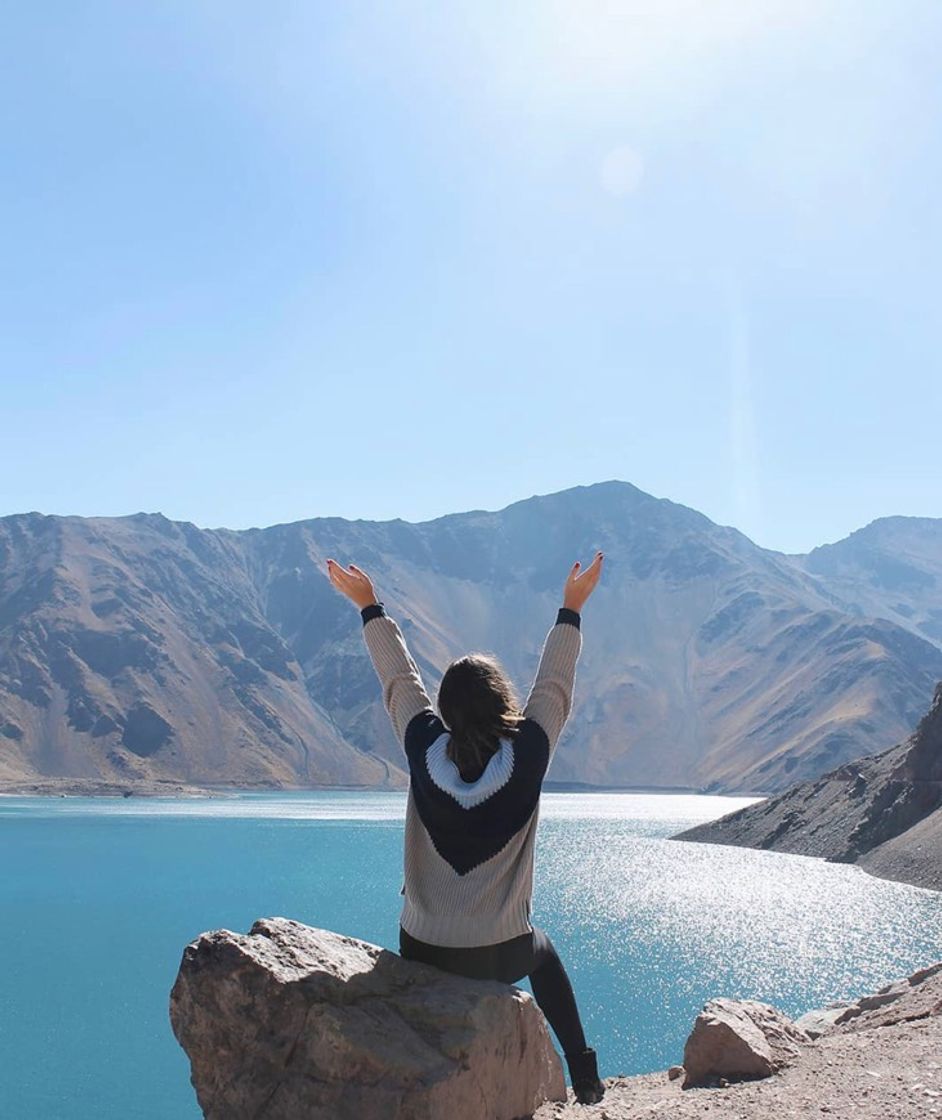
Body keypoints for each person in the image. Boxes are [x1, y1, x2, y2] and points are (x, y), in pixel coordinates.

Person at [326, 551, 606, 1106]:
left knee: (459, 939)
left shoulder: (423, 745)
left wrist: (369, 607)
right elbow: (554, 688)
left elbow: (399, 681)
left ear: (447, 709)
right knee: (543, 952)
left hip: (423, 948)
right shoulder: (529, 753)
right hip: (499, 952)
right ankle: (585, 1074)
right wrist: (571, 609)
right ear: (503, 700)